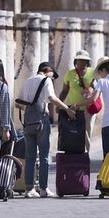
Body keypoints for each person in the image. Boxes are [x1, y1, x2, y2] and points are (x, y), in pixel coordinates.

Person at [18, 62, 75, 198]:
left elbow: (18, 103)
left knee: (30, 156)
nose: (52, 79)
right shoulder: (46, 80)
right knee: (44, 156)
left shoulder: (27, 81)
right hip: (41, 121)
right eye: (52, 76)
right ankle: (43, 188)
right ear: (48, 71)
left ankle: (29, 189)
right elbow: (51, 98)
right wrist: (66, 109)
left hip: (28, 122)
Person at [59, 50, 96, 152]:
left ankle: (86, 155)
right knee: (73, 132)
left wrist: (91, 90)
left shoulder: (93, 73)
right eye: (80, 60)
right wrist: (59, 104)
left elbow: (97, 90)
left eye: (84, 60)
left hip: (88, 109)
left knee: (86, 132)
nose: (82, 62)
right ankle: (75, 154)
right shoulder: (70, 74)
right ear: (76, 60)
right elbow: (64, 91)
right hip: (73, 109)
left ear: (87, 62)